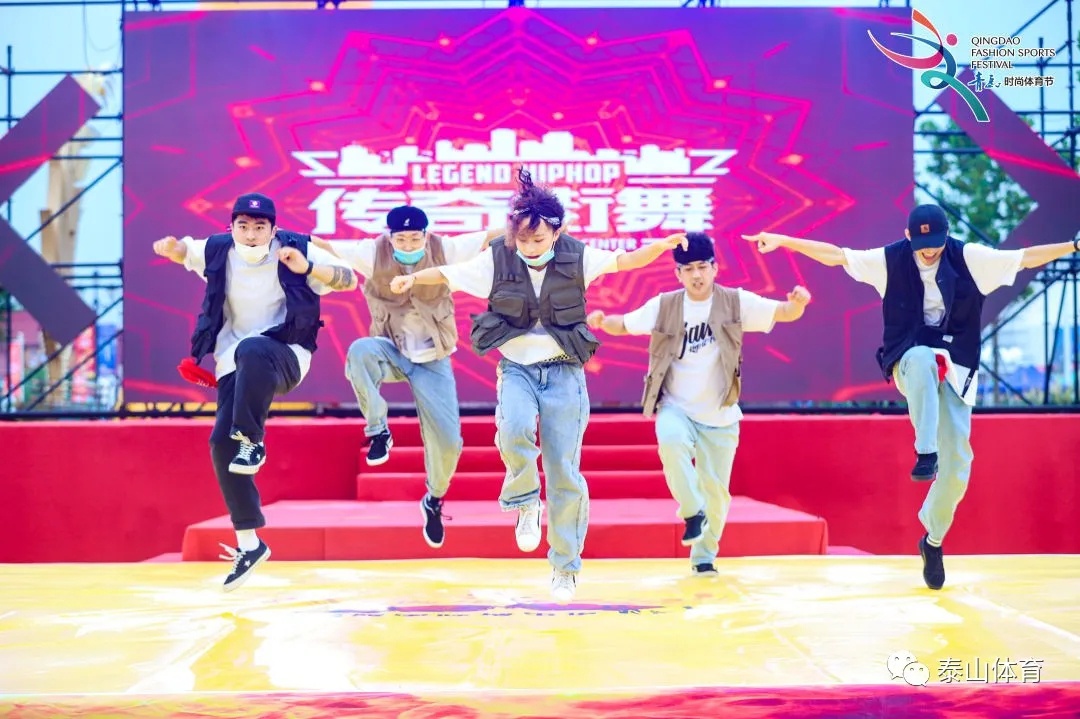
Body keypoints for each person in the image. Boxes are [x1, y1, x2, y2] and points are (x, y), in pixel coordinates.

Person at [742, 204, 1079, 590]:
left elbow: (1024, 258)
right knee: (921, 359)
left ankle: (932, 540)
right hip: (909, 360)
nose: (929, 251)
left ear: (947, 236)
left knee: (959, 467)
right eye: (922, 245)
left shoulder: (969, 257)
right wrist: (785, 240)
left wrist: (1072, 246)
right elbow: (836, 255)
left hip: (956, 367)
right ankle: (925, 451)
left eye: (936, 243)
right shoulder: (890, 260)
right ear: (908, 237)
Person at [388, 169, 688, 601]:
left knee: (564, 471)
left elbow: (625, 261)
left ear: (556, 232)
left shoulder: (578, 256)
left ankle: (565, 566)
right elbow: (449, 273)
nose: (529, 247)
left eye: (538, 239)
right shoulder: (498, 257)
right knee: (512, 430)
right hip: (517, 368)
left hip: (564, 371)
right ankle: (526, 500)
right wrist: (413, 278)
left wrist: (659, 247)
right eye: (523, 240)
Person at [152, 192, 358, 591]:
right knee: (220, 445)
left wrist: (308, 267)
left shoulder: (296, 249)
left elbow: (349, 279)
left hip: (286, 354)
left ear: (273, 229)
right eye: (243, 226)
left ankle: (253, 440)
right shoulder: (217, 249)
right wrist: (171, 248)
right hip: (235, 363)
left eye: (259, 227)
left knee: (252, 349)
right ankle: (249, 542)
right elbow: (185, 252)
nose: (250, 234)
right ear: (231, 227)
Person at [585, 232, 811, 575]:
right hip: (675, 406)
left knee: (716, 494)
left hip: (721, 414)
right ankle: (692, 510)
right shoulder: (665, 305)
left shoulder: (735, 302)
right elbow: (625, 324)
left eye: (703, 267)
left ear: (715, 268)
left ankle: (704, 557)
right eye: (688, 269)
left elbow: (782, 312)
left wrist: (797, 304)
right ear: (678, 273)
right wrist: (604, 322)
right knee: (671, 443)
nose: (696, 275)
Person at [312, 206, 498, 549]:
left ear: (426, 235)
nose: (409, 245)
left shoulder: (445, 249)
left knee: (449, 442)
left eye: (415, 238)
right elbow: (324, 245)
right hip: (392, 351)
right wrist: (277, 239)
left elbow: (490, 236)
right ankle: (378, 431)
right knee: (360, 351)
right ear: (390, 237)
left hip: (433, 360)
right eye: (401, 239)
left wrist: (539, 225)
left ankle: (434, 498)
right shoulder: (372, 252)